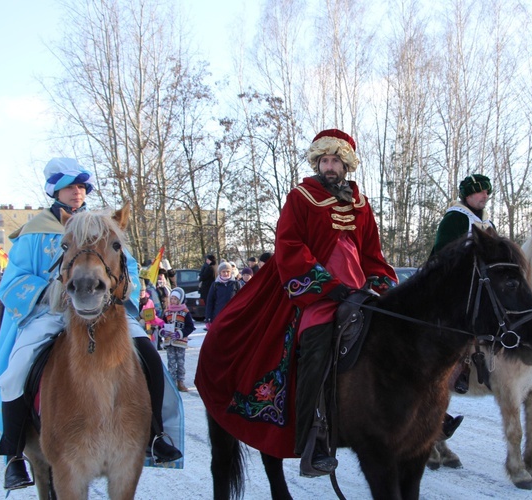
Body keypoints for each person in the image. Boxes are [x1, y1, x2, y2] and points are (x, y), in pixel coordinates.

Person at [196, 129, 397, 478]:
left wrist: (382, 284)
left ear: (346, 165)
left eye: (336, 160)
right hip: (312, 292)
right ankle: (313, 438)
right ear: (318, 163)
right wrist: (325, 285)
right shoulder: (301, 197)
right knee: (317, 345)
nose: (330, 166)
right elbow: (289, 245)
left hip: (358, 290)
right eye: (324, 160)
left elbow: (371, 253)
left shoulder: (362, 205)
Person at [0, 157, 182, 491]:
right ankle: (15, 453)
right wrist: (51, 290)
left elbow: (128, 268)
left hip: (106, 310)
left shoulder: (104, 225)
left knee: (149, 355)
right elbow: (11, 283)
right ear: (55, 190)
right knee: (15, 371)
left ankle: (157, 434)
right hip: (50, 313)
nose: (78, 192)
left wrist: (121, 286)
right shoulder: (34, 233)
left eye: (82, 186)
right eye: (70, 186)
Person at [430, 173, 496, 440]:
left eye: (487, 193)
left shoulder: (485, 221)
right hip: (455, 287)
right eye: (479, 193)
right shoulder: (456, 218)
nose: (484, 197)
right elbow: (443, 253)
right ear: (467, 195)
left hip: (481, 286)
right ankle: (456, 371)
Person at [160, 287, 195, 392]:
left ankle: (180, 382)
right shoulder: (167, 312)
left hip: (180, 343)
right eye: (172, 299)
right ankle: (172, 383)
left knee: (180, 362)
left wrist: (180, 333)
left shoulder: (185, 312)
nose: (173, 301)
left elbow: (190, 327)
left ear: (180, 300)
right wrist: (163, 331)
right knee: (171, 363)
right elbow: (162, 324)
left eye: (175, 299)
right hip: (169, 342)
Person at [204, 262, 240, 329]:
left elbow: (241, 299)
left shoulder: (235, 284)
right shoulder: (215, 285)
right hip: (218, 316)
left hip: (233, 315)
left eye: (228, 271)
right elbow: (210, 302)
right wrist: (208, 318)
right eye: (223, 272)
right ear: (220, 272)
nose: (226, 274)